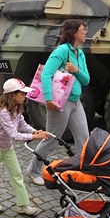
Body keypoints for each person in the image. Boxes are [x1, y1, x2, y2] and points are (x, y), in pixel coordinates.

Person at [25, 19, 90, 186]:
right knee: (52, 138)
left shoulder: (79, 53)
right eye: (83, 29)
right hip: (60, 103)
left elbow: (86, 80)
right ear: (74, 33)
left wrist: (76, 70)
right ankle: (33, 170)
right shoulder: (61, 51)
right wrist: (48, 99)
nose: (86, 32)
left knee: (84, 138)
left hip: (76, 102)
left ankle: (83, 171)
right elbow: (46, 74)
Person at [0, 78, 49, 214]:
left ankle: (23, 206)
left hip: (7, 148)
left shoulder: (17, 109)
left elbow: (22, 125)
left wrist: (34, 131)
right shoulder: (2, 113)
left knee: (17, 175)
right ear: (13, 95)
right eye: (22, 93)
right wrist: (34, 137)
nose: (25, 96)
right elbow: (14, 134)